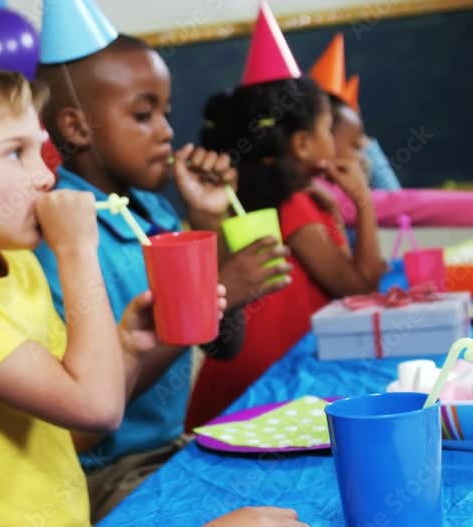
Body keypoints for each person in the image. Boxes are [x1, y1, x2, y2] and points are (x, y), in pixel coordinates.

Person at [33, 1, 291, 519]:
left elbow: (223, 343)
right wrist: (217, 289)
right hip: (105, 475)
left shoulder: (153, 211)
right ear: (78, 128)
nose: (167, 132)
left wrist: (209, 220)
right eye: (143, 114)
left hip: (169, 451)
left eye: (167, 114)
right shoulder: (61, 238)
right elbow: (90, 411)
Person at [187, 8, 385, 430]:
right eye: (329, 129)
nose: (336, 142)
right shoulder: (294, 206)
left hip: (250, 384)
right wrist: (363, 202)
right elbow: (360, 288)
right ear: (301, 143)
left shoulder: (284, 199)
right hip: (256, 392)